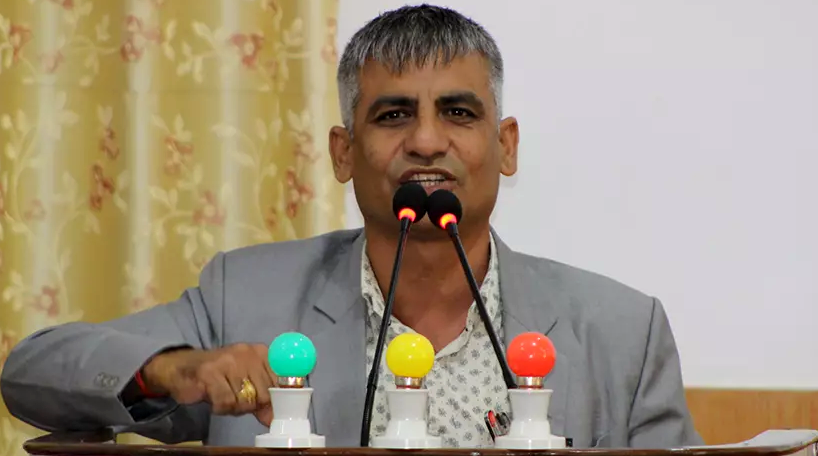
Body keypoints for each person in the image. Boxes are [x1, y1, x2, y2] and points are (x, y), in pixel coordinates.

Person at [0, 4, 702, 449]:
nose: (426, 142)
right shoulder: (246, 297)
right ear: (343, 153)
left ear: (506, 146)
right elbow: (32, 373)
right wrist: (173, 368)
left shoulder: (621, 333)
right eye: (393, 115)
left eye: (458, 113)